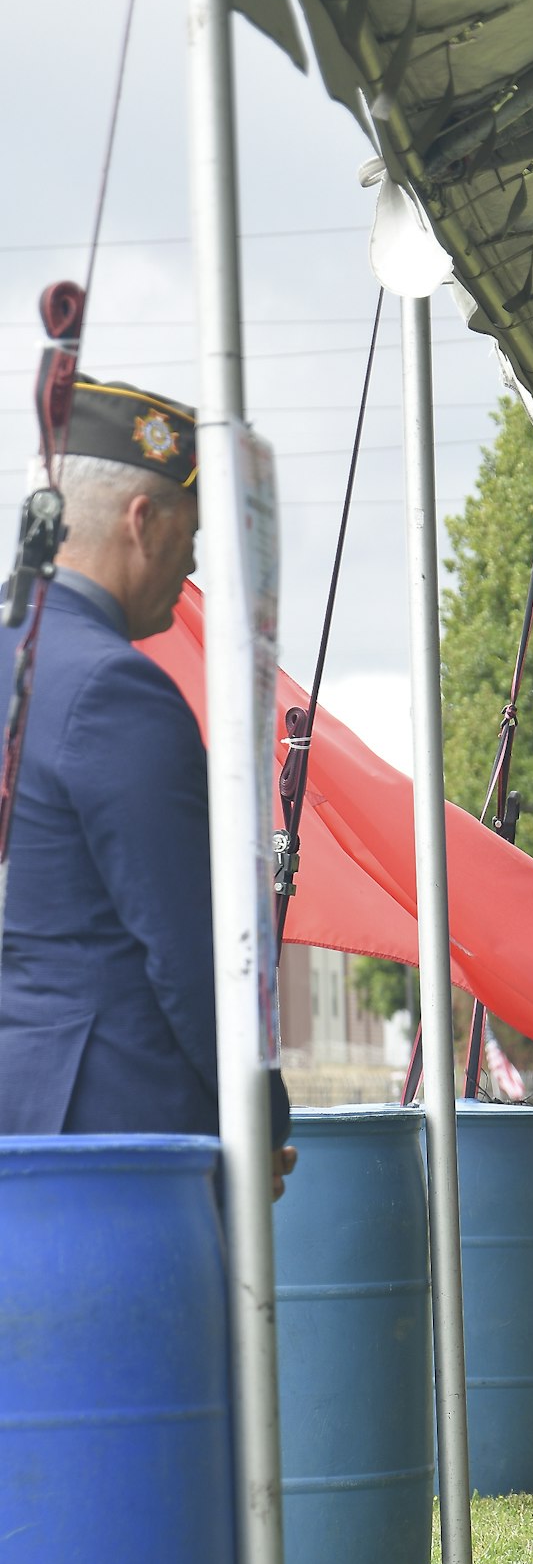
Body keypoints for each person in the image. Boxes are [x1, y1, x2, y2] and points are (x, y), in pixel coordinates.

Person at [0, 376, 292, 1181]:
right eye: (192, 535)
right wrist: (263, 1114)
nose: (193, 563)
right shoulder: (111, 688)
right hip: (114, 1140)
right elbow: (195, 950)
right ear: (142, 521)